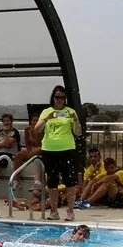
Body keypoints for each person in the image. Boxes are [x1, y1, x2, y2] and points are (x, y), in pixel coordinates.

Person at [34, 86, 82, 221]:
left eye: (62, 97)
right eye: (57, 97)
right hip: (49, 150)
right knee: (52, 181)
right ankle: (54, 211)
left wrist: (75, 119)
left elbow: (78, 133)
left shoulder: (70, 112)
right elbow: (37, 129)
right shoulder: (46, 112)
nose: (60, 100)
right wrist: (46, 119)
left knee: (70, 181)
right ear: (53, 98)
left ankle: (70, 211)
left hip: (67, 150)